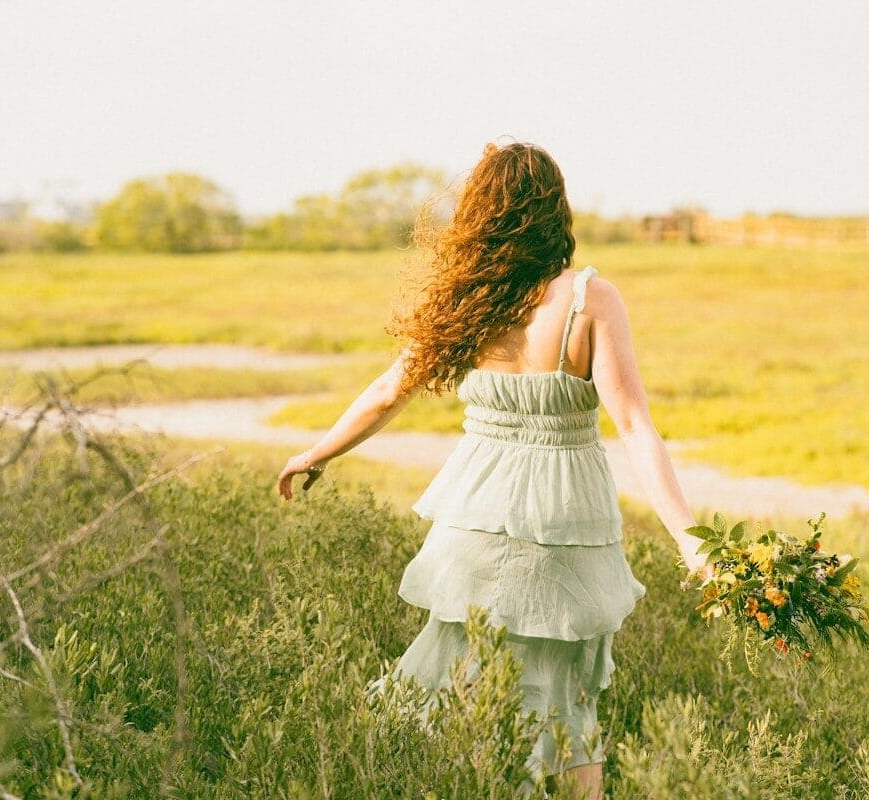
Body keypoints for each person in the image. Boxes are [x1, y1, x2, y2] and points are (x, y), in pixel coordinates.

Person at [277, 141, 710, 799]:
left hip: (474, 519)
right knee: (565, 701)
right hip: (566, 523)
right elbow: (635, 425)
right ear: (554, 212)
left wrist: (317, 452)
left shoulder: (467, 302)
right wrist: (689, 538)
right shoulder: (589, 300)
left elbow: (387, 390)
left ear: (479, 216)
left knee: (463, 688)